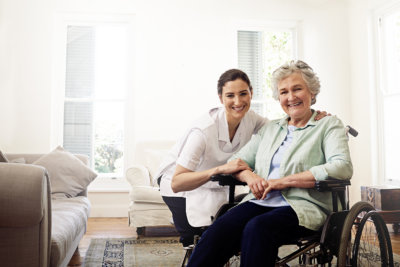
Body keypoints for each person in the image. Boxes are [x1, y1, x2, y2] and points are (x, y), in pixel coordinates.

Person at [186, 60, 353, 267]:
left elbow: (342, 166)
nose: (291, 97)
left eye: (297, 89)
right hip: (260, 200)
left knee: (257, 228)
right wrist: (250, 176)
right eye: (284, 92)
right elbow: (236, 161)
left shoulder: (328, 124)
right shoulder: (271, 128)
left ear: (312, 92)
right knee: (220, 229)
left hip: (304, 206)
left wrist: (284, 182)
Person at [156, 68, 328, 247]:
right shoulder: (203, 131)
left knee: (228, 230)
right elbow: (177, 182)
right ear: (220, 98)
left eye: (243, 94)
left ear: (251, 94)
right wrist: (220, 169)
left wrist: (315, 118)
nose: (238, 102)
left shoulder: (251, 118)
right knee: (199, 239)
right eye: (230, 95)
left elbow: (283, 128)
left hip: (215, 181)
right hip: (179, 183)